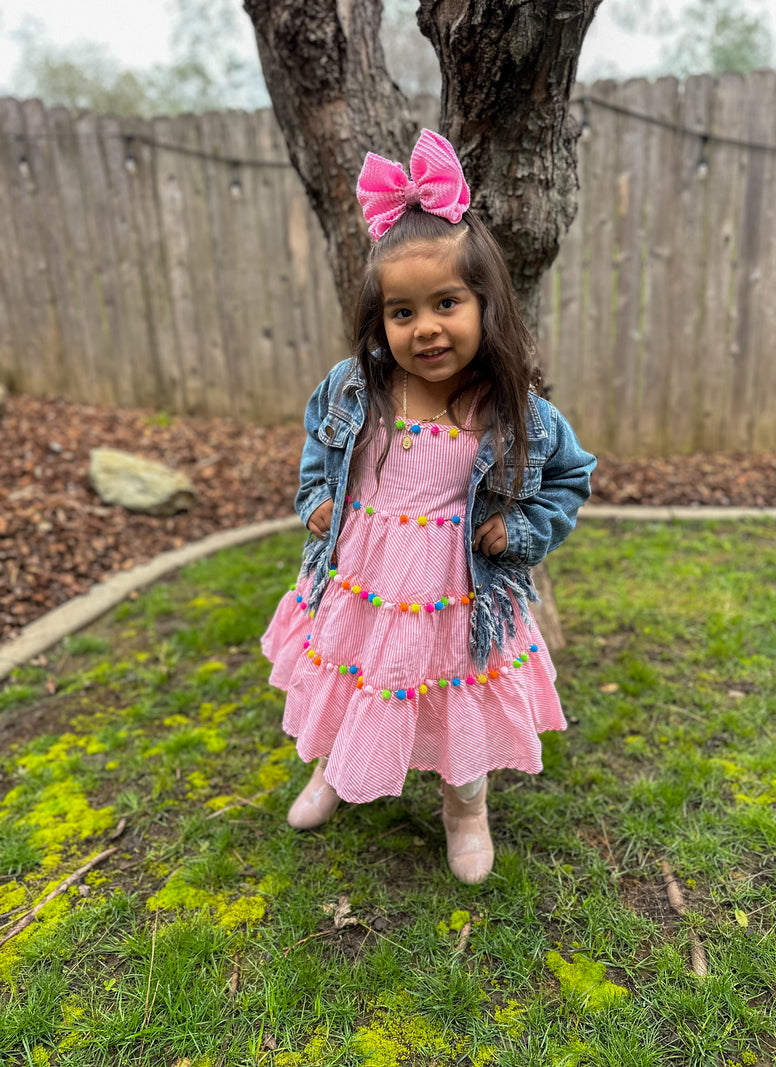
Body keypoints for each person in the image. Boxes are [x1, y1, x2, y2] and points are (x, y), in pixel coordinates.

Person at [262, 129, 595, 884]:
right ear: (380, 321)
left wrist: (522, 528)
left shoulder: (517, 412)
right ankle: (335, 771)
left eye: (447, 302)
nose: (426, 328)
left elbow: (569, 479)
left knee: (455, 702)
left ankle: (465, 807)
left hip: (458, 592)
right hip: (364, 581)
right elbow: (321, 445)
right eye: (402, 312)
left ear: (486, 304)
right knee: (348, 676)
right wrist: (317, 498)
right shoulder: (356, 389)